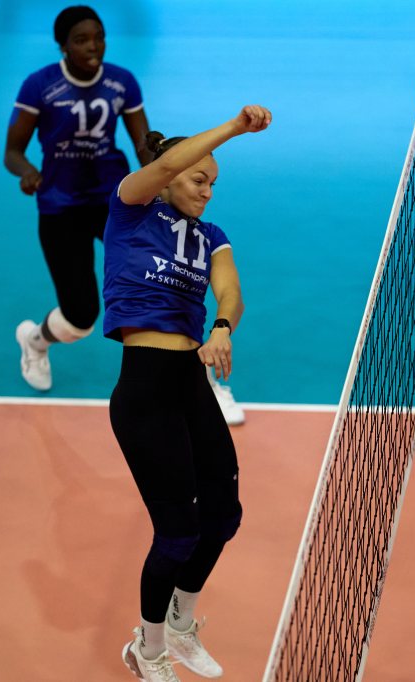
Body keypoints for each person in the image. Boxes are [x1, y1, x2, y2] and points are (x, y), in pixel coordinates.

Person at [105, 105, 271, 681]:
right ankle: (147, 650)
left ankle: (180, 624)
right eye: (199, 179)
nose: (207, 192)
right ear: (171, 174)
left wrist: (222, 327)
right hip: (145, 389)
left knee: (223, 517)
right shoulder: (130, 209)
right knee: (177, 533)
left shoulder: (211, 237)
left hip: (190, 384)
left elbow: (231, 293)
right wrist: (234, 128)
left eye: (214, 184)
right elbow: (165, 163)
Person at [5, 5, 151, 392]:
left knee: (160, 279)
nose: (94, 46)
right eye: (82, 40)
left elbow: (144, 147)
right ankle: (35, 341)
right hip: (60, 206)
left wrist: (166, 172)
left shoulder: (122, 82)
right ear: (63, 46)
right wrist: (28, 172)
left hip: (113, 200)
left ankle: (199, 377)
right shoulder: (39, 85)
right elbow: (12, 152)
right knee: (80, 318)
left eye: (99, 37)